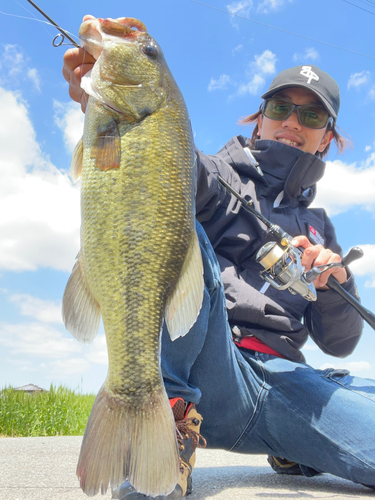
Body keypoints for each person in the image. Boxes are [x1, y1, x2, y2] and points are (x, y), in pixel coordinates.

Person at [63, 40, 375, 499]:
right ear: (260, 118)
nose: (292, 121)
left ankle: (295, 448)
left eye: (311, 115)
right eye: (280, 106)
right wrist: (106, 112)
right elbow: (142, 168)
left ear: (327, 135)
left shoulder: (321, 227)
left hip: (289, 385)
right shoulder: (207, 171)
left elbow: (339, 342)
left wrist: (335, 283)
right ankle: (162, 419)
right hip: (211, 370)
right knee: (172, 219)